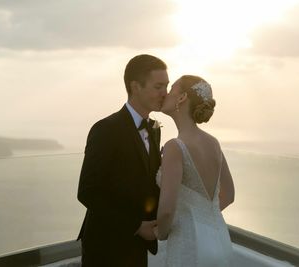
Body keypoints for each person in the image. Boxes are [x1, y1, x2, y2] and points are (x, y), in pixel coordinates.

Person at [77, 54, 169, 266]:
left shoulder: (154, 129)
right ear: (135, 86)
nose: (165, 93)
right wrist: (136, 226)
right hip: (106, 245)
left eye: (167, 86)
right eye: (158, 87)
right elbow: (88, 191)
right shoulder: (105, 129)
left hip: (138, 248)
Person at [154, 75, 235, 266]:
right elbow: (229, 195)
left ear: (181, 98)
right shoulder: (213, 143)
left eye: (171, 88)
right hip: (219, 240)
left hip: (188, 244)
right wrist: (202, 217)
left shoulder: (176, 147)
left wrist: (161, 234)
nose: (166, 93)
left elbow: (166, 211)